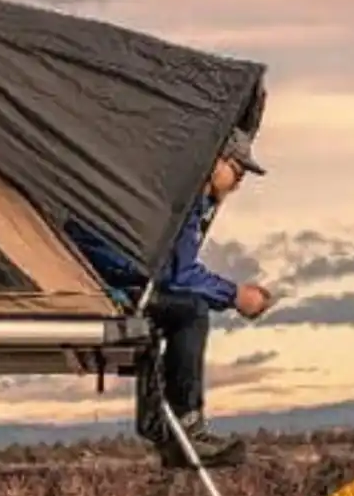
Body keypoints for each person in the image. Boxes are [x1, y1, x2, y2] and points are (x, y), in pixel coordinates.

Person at [68, 126, 276, 469]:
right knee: (189, 311)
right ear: (215, 163)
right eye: (236, 171)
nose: (239, 183)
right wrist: (236, 296)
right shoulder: (182, 199)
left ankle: (167, 432)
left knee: (170, 312)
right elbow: (177, 275)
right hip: (103, 280)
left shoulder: (173, 188)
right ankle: (185, 429)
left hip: (104, 274)